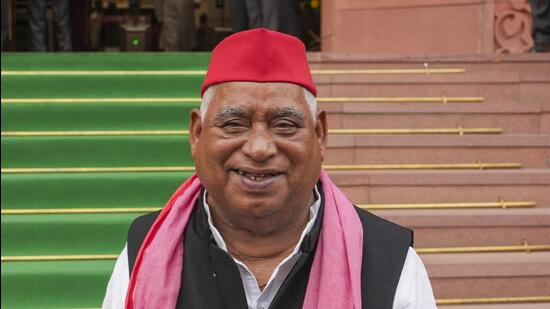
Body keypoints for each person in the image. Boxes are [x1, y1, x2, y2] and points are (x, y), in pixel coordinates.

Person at [103, 28, 437, 309]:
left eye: (284, 125)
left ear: (320, 135)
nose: (260, 148)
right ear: (197, 133)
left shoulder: (390, 264)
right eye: (234, 123)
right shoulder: (143, 256)